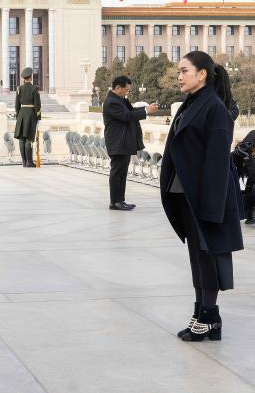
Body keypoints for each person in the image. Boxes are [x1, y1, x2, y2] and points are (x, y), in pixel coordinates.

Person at [160, 51, 243, 342]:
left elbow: (217, 162)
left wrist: (212, 206)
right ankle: (203, 314)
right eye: (178, 72)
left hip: (204, 198)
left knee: (207, 258)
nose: (179, 76)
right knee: (197, 258)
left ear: (202, 74)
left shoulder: (214, 108)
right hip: (184, 193)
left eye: (184, 71)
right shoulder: (192, 103)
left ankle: (209, 317)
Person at [102, 75, 158, 210]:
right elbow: (127, 116)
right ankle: (115, 202)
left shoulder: (120, 99)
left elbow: (131, 111)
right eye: (126, 90)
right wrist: (146, 111)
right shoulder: (112, 102)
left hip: (123, 142)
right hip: (118, 142)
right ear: (117, 88)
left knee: (122, 173)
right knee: (117, 173)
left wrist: (146, 109)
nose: (127, 92)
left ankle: (120, 200)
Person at [14, 67, 41, 167]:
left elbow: (17, 105)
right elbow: (37, 106)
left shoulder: (19, 89)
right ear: (31, 77)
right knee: (29, 138)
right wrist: (38, 117)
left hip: (21, 114)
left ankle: (24, 161)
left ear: (24, 78)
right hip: (31, 115)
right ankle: (29, 161)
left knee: (21, 139)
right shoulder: (35, 88)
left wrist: (18, 116)